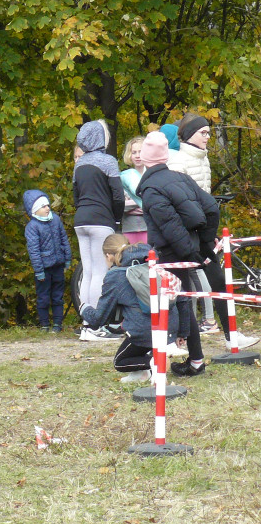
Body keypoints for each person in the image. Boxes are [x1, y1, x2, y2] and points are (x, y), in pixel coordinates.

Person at [136, 131, 256, 377]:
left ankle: (190, 360)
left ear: (146, 159)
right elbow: (211, 207)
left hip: (171, 253)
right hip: (184, 248)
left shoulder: (150, 188)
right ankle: (193, 358)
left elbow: (170, 226)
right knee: (182, 301)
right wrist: (203, 245)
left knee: (176, 302)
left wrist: (195, 251)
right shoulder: (181, 178)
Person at [80, 234, 162, 383]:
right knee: (134, 350)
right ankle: (142, 373)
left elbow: (99, 318)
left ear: (108, 256)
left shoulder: (116, 275)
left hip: (142, 330)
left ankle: (155, 361)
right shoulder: (149, 263)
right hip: (165, 325)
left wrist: (84, 308)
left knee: (120, 361)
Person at [72, 119, 124, 341]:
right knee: (100, 272)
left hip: (81, 219)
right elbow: (118, 196)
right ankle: (95, 326)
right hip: (100, 219)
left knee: (88, 272)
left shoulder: (79, 164)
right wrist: (117, 219)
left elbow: (76, 196)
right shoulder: (108, 161)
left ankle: (86, 324)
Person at [167, 113, 217, 333]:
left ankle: (207, 320)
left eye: (209, 132)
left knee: (198, 270)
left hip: (200, 223)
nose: (207, 137)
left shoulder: (202, 158)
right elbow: (179, 197)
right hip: (190, 224)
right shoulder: (178, 160)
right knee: (193, 271)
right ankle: (196, 322)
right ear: (189, 135)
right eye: (203, 132)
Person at [22, 189, 72, 333]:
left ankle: (57, 324)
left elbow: (64, 239)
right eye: (43, 206)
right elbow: (34, 250)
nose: (47, 208)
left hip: (58, 265)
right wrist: (38, 271)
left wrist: (67, 258)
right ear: (35, 210)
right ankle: (44, 324)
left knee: (58, 296)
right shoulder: (32, 227)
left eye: (48, 205)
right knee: (43, 297)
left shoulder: (55, 219)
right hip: (44, 269)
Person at [119, 136, 148, 244]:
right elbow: (120, 205)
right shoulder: (124, 177)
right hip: (128, 228)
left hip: (149, 228)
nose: (137, 156)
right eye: (134, 152)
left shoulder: (151, 176)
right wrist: (142, 204)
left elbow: (153, 203)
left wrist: (131, 203)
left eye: (140, 151)